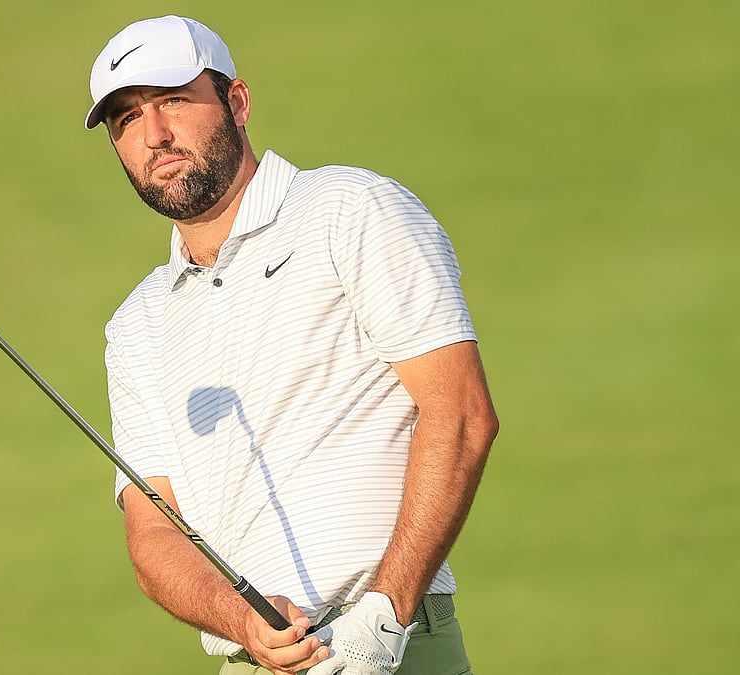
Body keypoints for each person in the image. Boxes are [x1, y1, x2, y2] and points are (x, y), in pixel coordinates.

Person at [85, 15, 499, 675]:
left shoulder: (351, 210)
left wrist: (383, 615)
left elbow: (461, 412)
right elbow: (153, 533)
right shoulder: (137, 322)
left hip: (396, 649)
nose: (153, 134)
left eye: (174, 101)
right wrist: (238, 617)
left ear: (237, 102)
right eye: (126, 119)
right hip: (256, 662)